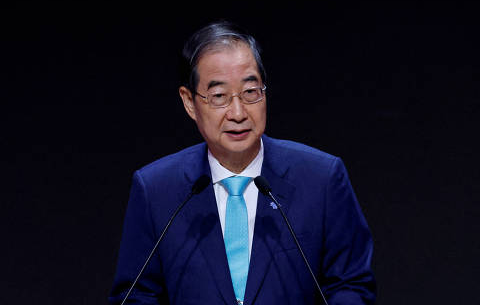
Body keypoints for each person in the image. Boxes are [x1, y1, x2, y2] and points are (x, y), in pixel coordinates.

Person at [109, 21, 376, 305]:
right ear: (190, 103)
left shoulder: (321, 178)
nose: (238, 112)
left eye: (250, 92)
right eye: (219, 97)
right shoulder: (156, 190)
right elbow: (136, 295)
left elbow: (351, 285)